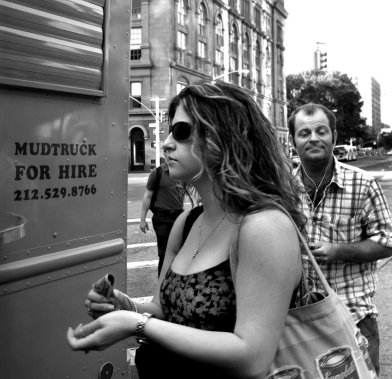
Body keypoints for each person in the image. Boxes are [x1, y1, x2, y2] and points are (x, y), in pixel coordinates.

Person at [67, 80, 305, 379]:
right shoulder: (187, 222)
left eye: (180, 132)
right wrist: (124, 307)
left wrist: (135, 325)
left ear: (225, 137)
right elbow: (166, 310)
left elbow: (252, 356)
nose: (166, 143)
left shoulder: (264, 227)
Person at [288, 102, 392, 375]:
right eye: (304, 133)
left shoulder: (363, 183)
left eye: (321, 131)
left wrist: (338, 250)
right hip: (298, 320)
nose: (313, 138)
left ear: (334, 137)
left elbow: (386, 242)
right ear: (293, 140)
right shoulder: (283, 187)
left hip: (353, 315)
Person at [140, 161, 185, 275]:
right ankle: (163, 283)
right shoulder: (157, 173)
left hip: (179, 216)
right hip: (162, 217)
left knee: (179, 250)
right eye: (167, 150)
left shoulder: (183, 172)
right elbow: (148, 195)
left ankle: (175, 280)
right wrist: (142, 219)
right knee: (165, 253)